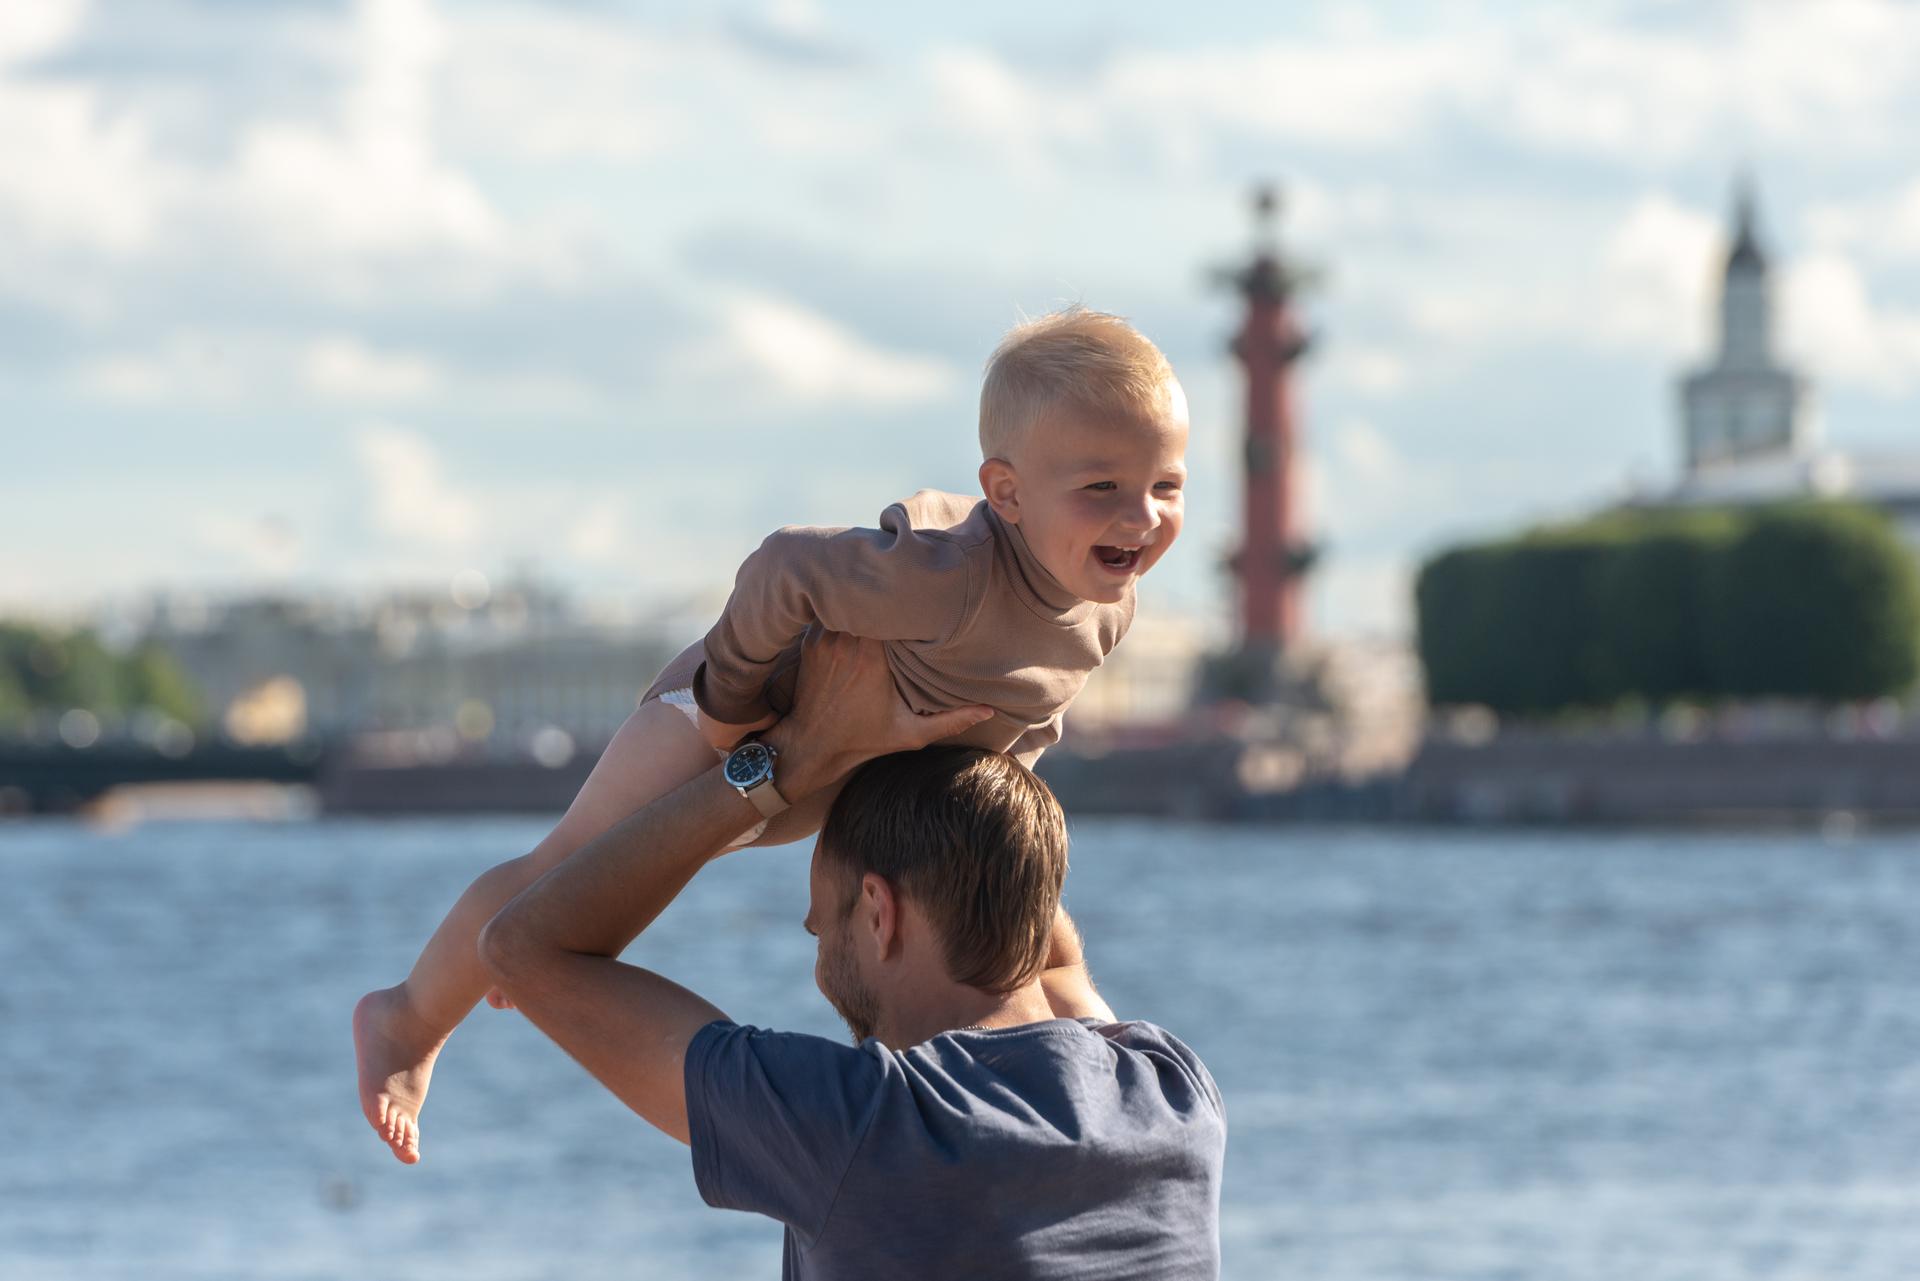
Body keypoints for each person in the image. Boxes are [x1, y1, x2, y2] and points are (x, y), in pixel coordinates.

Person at [355, 307, 1191, 1164]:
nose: (1143, 515)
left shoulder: (1108, 609)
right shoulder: (945, 576)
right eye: (1102, 488)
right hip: (743, 724)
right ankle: (408, 1017)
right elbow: (783, 569)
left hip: (842, 774)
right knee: (568, 864)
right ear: (1006, 493)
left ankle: (536, 958)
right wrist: (727, 701)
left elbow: (1030, 719)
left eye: (1167, 485)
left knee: (609, 892)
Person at [480, 628, 1226, 1279]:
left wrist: (789, 764)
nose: (816, 960)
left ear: (878, 912)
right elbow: (1046, 948)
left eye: (820, 927)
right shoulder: (1171, 1094)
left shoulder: (861, 1124)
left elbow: (522, 946)